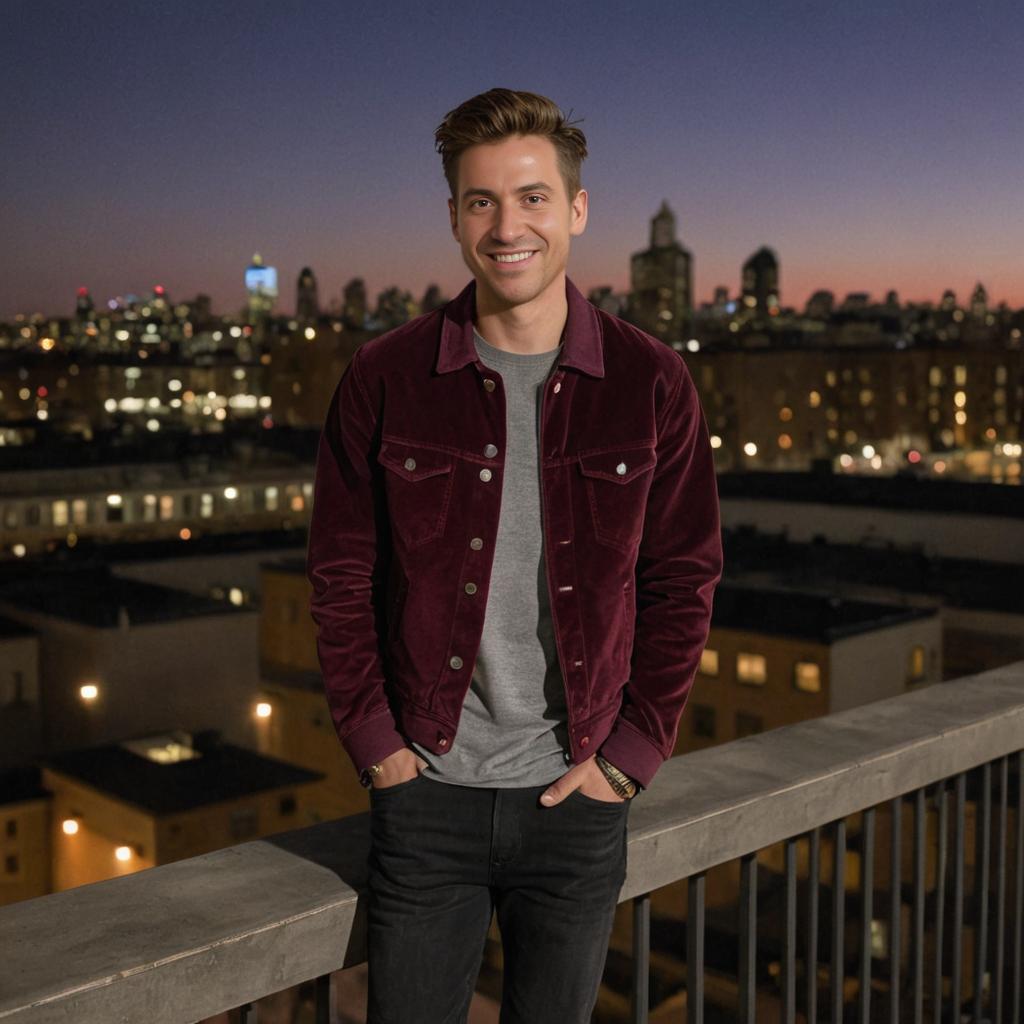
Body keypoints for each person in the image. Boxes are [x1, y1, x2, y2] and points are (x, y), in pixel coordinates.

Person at [306, 87, 723, 1024]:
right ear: (454, 217)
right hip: (426, 799)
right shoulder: (386, 377)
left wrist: (629, 759)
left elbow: (684, 577)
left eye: (533, 197)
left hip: (576, 801)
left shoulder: (652, 381)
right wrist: (378, 751)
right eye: (482, 201)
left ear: (576, 211)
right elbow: (339, 576)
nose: (508, 226)